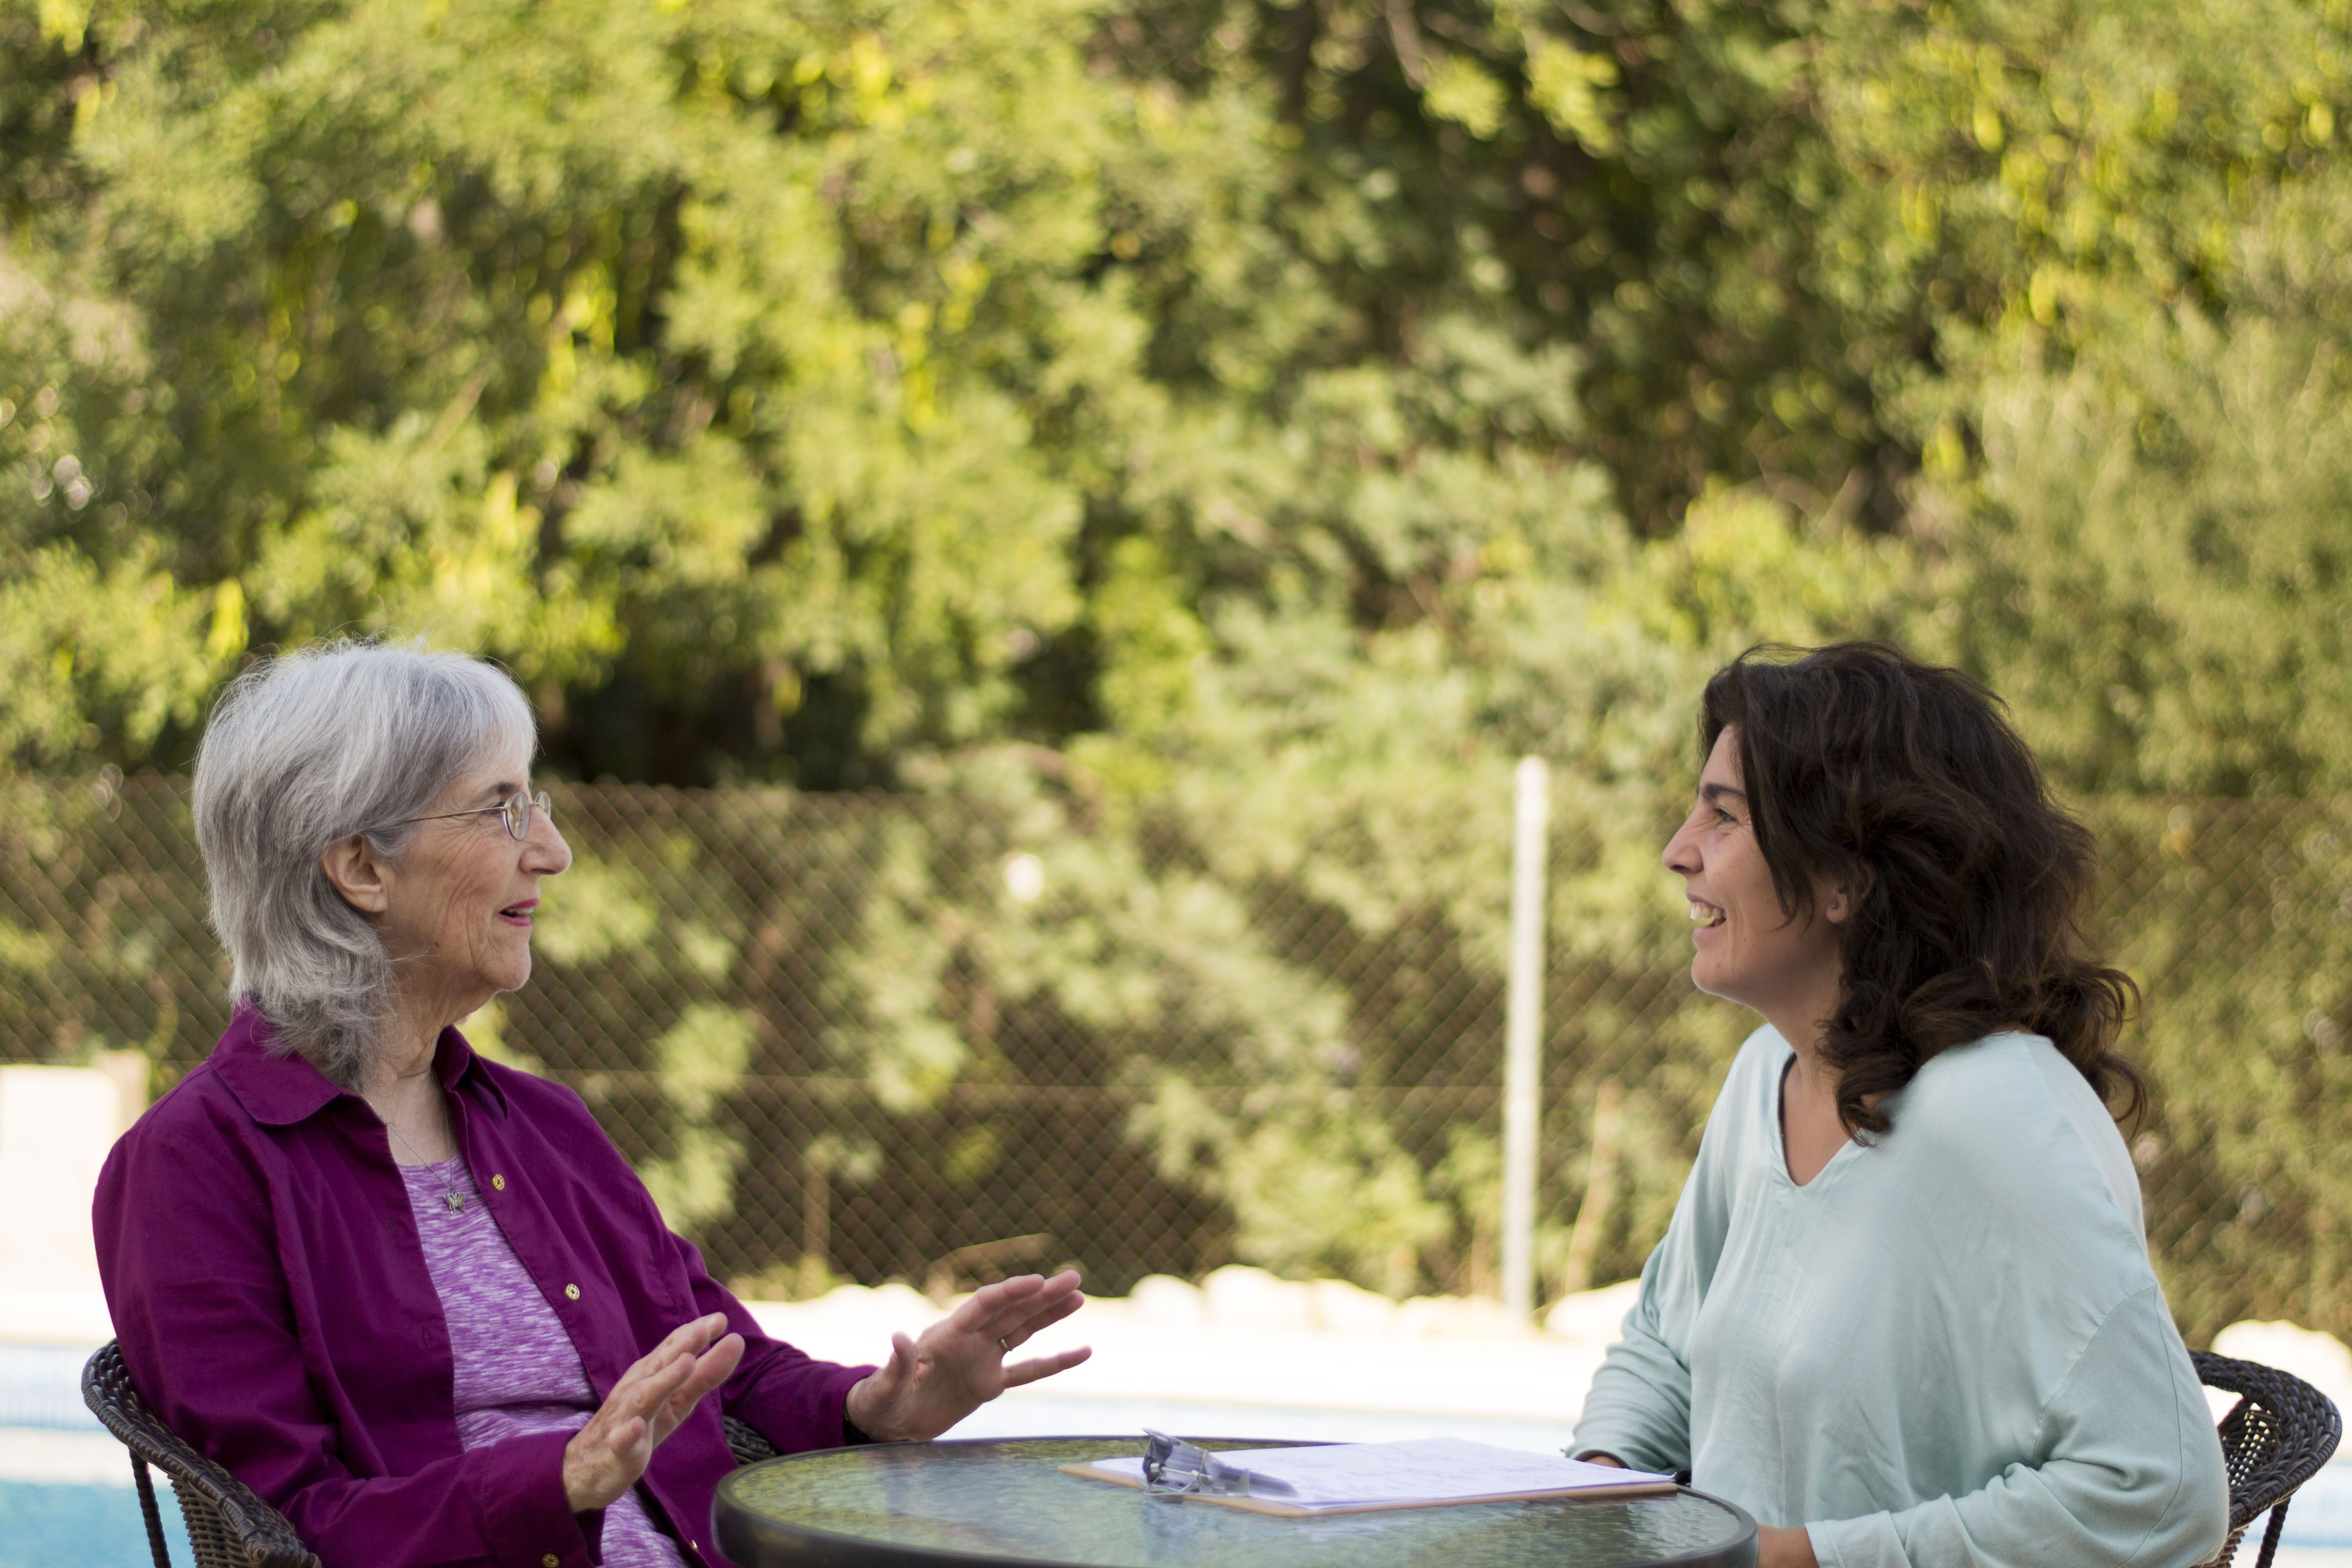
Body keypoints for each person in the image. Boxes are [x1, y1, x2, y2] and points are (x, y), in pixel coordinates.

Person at [94, 641, 1090, 1568]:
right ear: (361, 867)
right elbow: (289, 1528)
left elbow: (723, 1368)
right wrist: (559, 1480)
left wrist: (879, 1405)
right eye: (504, 810)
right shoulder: (194, 1167)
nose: (555, 852)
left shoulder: (546, 1130)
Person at [1569, 643, 2228, 1568]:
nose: (1677, 852)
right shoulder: (1768, 1074)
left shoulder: (1996, 1115)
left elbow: (2162, 1496)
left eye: (1723, 818)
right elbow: (1666, 1347)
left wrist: (1781, 1558)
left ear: (1848, 877)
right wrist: (1594, 1498)